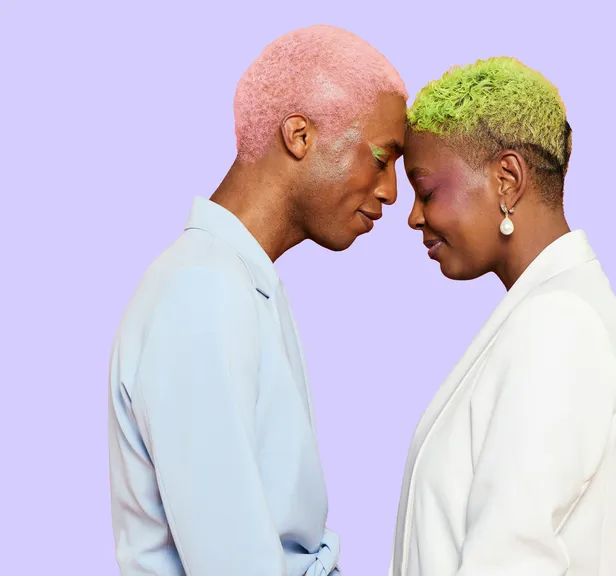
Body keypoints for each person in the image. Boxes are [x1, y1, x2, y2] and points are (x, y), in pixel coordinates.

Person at [107, 24, 407, 576]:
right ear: (300, 136)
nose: (390, 191)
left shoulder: (237, 280)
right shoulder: (201, 292)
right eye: (382, 158)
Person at [390, 57, 616, 575]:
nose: (414, 216)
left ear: (507, 179)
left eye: (426, 191)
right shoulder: (554, 311)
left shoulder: (559, 327)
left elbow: (511, 559)